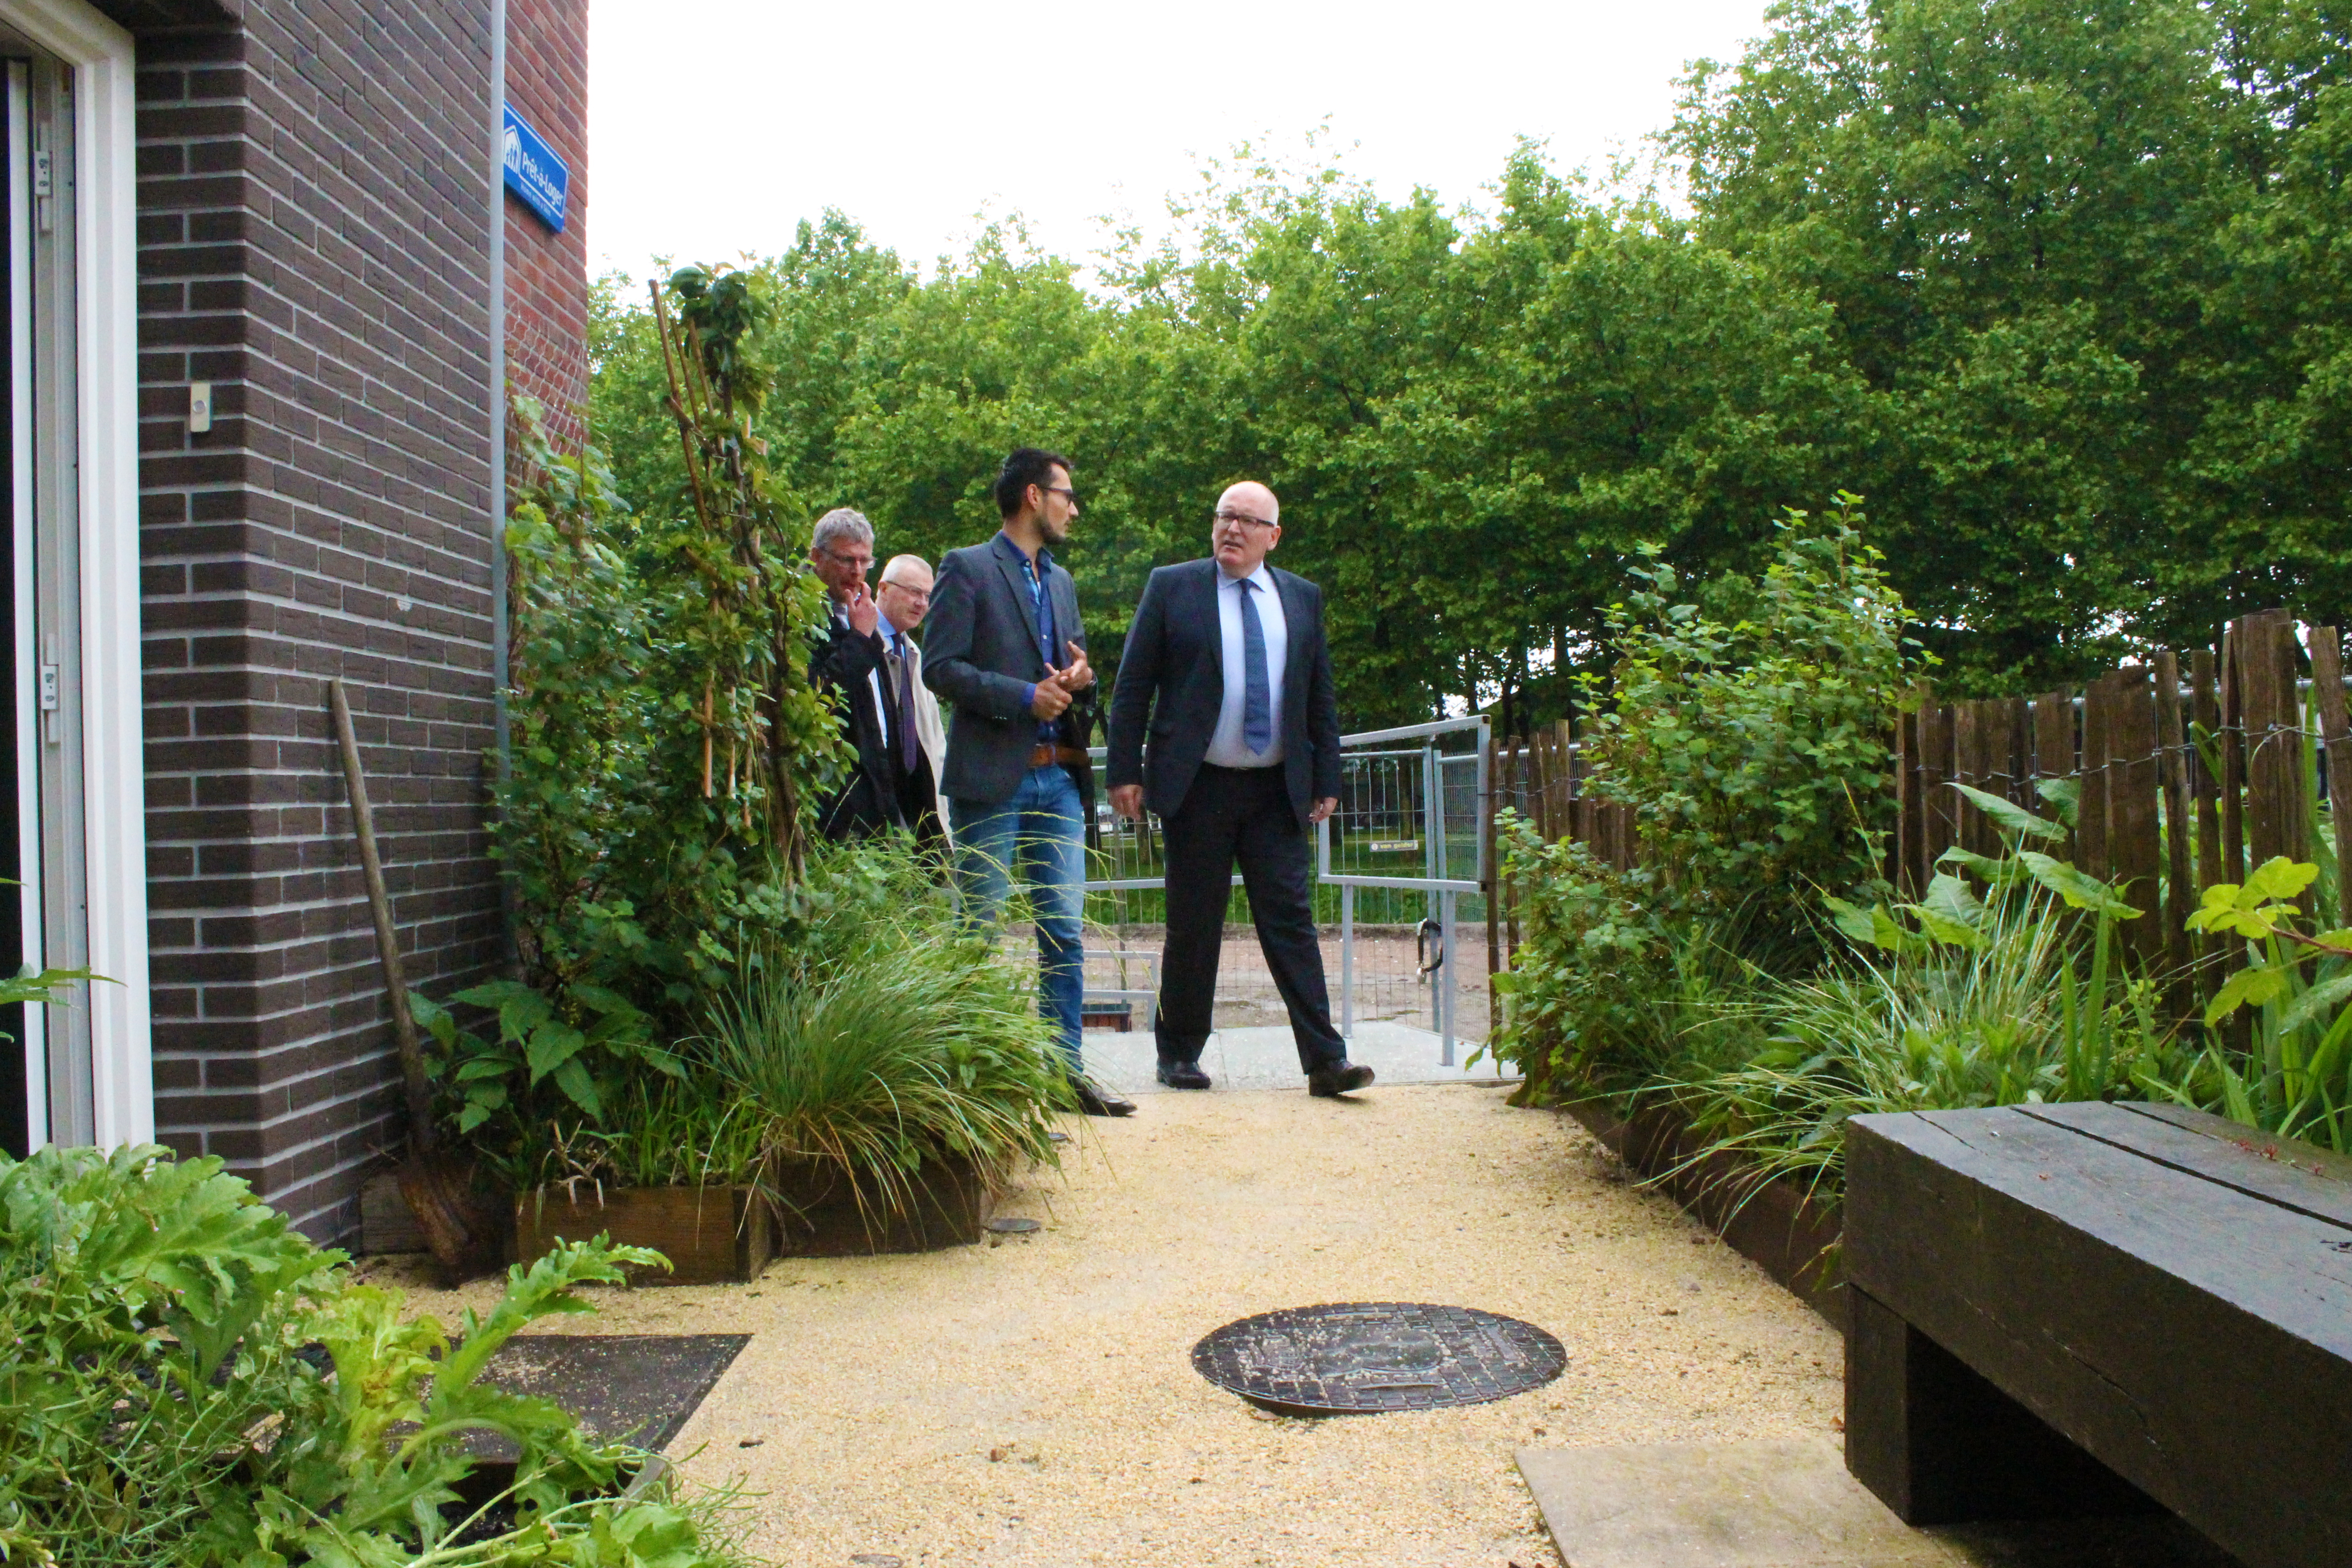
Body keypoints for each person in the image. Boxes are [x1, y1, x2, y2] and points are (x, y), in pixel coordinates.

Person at [1104, 481, 1373, 1098]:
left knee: (1292, 923)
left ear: (1273, 537)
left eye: (1249, 521)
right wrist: (1125, 770)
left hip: (1277, 792)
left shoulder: (1302, 598)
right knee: (1194, 924)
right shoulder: (1172, 587)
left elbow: (1319, 695)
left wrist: (1326, 776)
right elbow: (1133, 685)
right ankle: (1178, 1054)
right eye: (1225, 516)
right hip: (1196, 788)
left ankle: (1326, 1061)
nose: (1233, 528)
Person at [924, 448, 1135, 1117]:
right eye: (1067, 495)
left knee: (1064, 935)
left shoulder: (1062, 581)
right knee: (977, 932)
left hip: (1060, 784)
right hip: (993, 781)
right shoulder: (966, 567)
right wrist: (1023, 696)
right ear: (1032, 496)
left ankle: (1063, 1077)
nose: (1074, 509)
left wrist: (1080, 679)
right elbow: (940, 668)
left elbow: (1071, 674)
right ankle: (969, 1087)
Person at [808, 508, 906, 841]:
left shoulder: (859, 613)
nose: (857, 572)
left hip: (876, 787)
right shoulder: (799, 615)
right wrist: (862, 638)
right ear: (817, 557)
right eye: (847, 560)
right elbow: (818, 697)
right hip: (831, 794)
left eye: (866, 561)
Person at [875, 554, 951, 850]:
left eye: (927, 595)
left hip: (917, 810)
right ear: (883, 588)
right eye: (914, 592)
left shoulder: (914, 655)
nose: (922, 603)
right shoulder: (860, 645)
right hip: (876, 805)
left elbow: (934, 742)